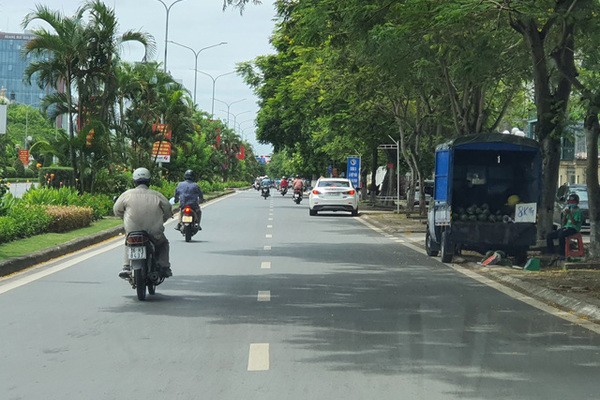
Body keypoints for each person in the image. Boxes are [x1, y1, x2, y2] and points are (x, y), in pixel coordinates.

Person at [114, 167, 173, 279]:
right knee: (163, 244)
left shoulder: (126, 194)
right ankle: (164, 266)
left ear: (134, 181)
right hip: (154, 233)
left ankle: (126, 266)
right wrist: (163, 219)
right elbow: (168, 209)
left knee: (128, 242)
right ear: (149, 181)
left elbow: (117, 210)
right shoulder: (157, 195)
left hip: (132, 231)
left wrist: (124, 217)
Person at [546, 193, 583, 259]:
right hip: (566, 227)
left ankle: (562, 254)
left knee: (561, 234)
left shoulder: (578, 211)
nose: (571, 203)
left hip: (574, 228)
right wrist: (565, 215)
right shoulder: (569, 209)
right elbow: (563, 222)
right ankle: (551, 253)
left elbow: (574, 223)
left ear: (577, 203)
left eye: (573, 202)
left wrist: (570, 214)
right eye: (570, 202)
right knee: (549, 235)